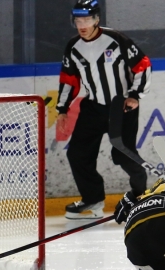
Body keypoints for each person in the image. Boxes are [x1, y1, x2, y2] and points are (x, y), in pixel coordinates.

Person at [56, 0, 151, 220]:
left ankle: (141, 197)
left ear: (97, 20)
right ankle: (93, 199)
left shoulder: (116, 40)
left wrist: (135, 95)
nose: (82, 24)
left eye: (87, 19)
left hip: (121, 107)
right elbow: (69, 80)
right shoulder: (73, 47)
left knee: (123, 155)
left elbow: (143, 65)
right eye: (78, 20)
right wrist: (62, 108)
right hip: (93, 107)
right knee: (78, 154)